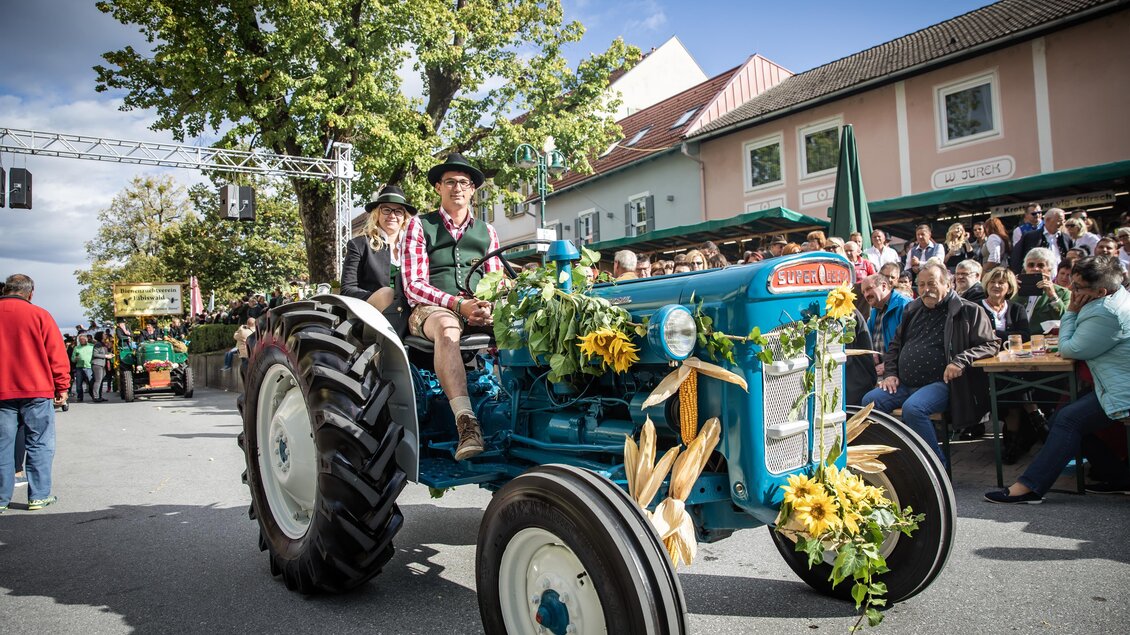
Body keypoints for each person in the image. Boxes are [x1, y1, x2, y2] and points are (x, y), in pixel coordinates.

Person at [986, 257, 1130, 503]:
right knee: (1062, 419)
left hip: (1121, 392)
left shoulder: (1106, 312)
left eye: (1078, 288)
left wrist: (1072, 311)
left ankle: (1030, 487)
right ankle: (1119, 477)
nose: (1072, 292)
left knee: (1065, 421)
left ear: (1100, 291)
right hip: (1114, 385)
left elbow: (1068, 348)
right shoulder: (1116, 297)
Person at [402, 153, 504, 461]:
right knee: (448, 328)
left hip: (476, 306)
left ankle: (520, 405)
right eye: (450, 182)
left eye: (463, 182)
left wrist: (488, 306)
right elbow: (414, 285)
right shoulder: (420, 225)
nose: (457, 188)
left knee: (522, 324)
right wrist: (458, 305)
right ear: (438, 188)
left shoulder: (487, 231)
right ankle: (466, 423)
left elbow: (496, 279)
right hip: (430, 309)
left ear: (473, 189)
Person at [862, 263, 999, 464]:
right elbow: (895, 346)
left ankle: (934, 466)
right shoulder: (912, 309)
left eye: (932, 284)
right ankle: (893, 464)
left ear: (947, 284)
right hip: (904, 383)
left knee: (914, 409)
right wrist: (890, 373)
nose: (926, 290)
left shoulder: (968, 310)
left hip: (941, 383)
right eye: (922, 285)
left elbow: (991, 345)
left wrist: (960, 360)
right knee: (869, 403)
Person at [0, 274, 69, 512]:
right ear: (30, 293)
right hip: (37, 390)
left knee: (2, 446)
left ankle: (0, 500)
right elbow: (56, 355)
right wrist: (62, 387)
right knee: (39, 443)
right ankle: (38, 496)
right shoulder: (40, 315)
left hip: (2, 392)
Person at [341, 184, 417, 335]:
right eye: (386, 210)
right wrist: (379, 298)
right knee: (387, 293)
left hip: (409, 310)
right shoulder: (359, 245)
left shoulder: (414, 247)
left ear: (404, 217)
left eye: (398, 211)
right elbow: (347, 289)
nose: (392, 215)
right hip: (372, 313)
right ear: (377, 213)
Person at [862, 273, 911, 378]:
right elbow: (868, 340)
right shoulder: (874, 311)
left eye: (869, 289)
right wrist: (872, 354)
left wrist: (889, 365)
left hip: (897, 372)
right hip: (880, 369)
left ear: (884, 286)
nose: (866, 295)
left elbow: (911, 344)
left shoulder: (904, 305)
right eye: (863, 292)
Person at [1015, 247, 1071, 334]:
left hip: (1042, 341)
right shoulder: (1015, 289)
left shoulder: (1063, 293)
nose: (1035, 269)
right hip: (1016, 338)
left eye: (1040, 265)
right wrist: (1013, 290)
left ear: (1049, 270)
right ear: (1025, 269)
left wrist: (1052, 296)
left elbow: (1065, 319)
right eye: (1031, 265)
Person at [1010, 208, 1072, 274]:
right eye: (1060, 220)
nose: (1063, 223)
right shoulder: (1030, 237)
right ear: (1048, 220)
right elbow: (1016, 257)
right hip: (1036, 278)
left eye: (1064, 220)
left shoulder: (1066, 238)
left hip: (1060, 280)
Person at [71, 334, 94, 402]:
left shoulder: (91, 346)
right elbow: (72, 358)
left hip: (89, 367)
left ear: (86, 339)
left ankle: (93, 395)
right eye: (80, 340)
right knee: (79, 383)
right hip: (79, 367)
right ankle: (79, 397)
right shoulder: (76, 348)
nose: (82, 341)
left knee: (91, 382)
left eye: (83, 339)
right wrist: (75, 359)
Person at [90, 332, 111, 403]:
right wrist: (105, 356)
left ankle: (99, 396)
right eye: (104, 334)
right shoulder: (97, 344)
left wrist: (109, 355)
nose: (105, 335)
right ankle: (96, 396)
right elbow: (95, 354)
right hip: (97, 364)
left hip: (102, 364)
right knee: (98, 381)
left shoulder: (102, 344)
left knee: (100, 381)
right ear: (101, 336)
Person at [234, 318, 256, 383]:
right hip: (253, 351)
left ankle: (247, 381)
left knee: (245, 368)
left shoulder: (243, 331)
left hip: (244, 353)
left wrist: (240, 328)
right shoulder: (256, 331)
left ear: (247, 323)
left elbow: (235, 336)